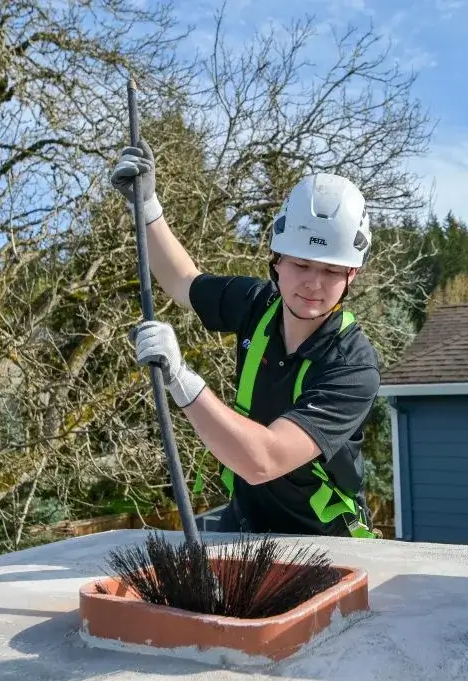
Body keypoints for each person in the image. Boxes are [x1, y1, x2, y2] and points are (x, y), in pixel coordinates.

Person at [110, 139, 381, 539]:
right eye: (302, 264)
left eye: (331, 270)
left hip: (323, 542)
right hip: (246, 525)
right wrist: (146, 207)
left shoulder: (353, 366)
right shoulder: (257, 305)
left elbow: (264, 460)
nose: (313, 284)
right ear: (277, 259)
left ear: (351, 276)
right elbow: (184, 282)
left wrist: (180, 378)